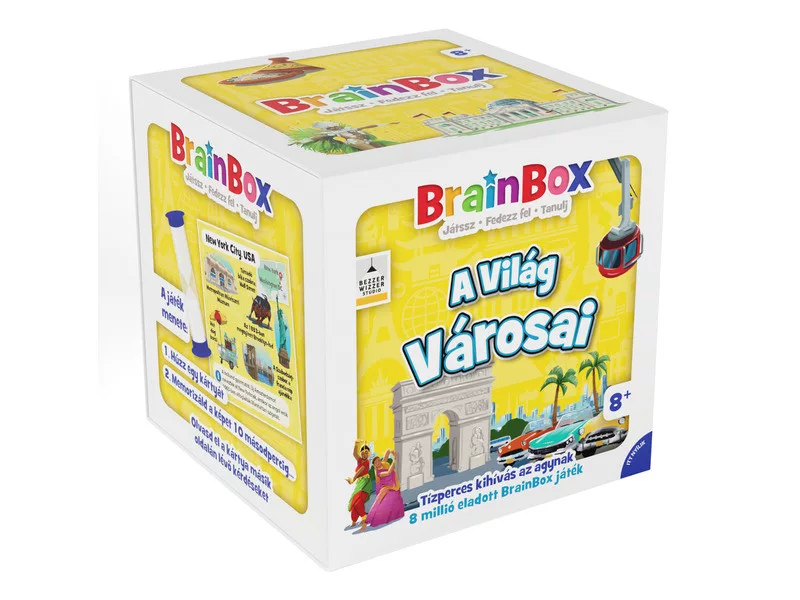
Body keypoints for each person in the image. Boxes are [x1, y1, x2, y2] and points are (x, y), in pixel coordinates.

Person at [361, 449, 404, 532]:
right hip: (385, 487)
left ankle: (389, 517)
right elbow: (388, 472)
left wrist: (391, 451)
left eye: (378, 460)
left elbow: (387, 452)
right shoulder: (378, 472)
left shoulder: (384, 463)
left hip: (393, 486)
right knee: (378, 502)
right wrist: (394, 459)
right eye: (375, 462)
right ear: (374, 465)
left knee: (393, 500)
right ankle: (366, 522)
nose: (378, 462)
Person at [346, 441, 372, 528]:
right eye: (362, 453)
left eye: (366, 453)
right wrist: (356, 444)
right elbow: (354, 454)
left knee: (358, 502)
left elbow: (359, 471)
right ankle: (354, 521)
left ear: (368, 454)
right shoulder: (360, 460)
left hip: (365, 483)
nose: (364, 454)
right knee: (354, 502)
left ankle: (364, 517)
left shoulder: (366, 462)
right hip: (359, 483)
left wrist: (352, 480)